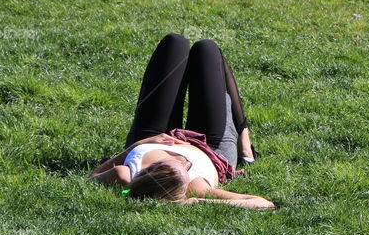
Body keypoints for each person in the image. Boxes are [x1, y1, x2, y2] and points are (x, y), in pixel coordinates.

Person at [89, 33, 275, 209]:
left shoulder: (124, 174)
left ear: (153, 170)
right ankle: (245, 144)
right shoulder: (196, 186)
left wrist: (141, 144)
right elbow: (263, 203)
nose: (185, 161)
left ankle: (153, 146)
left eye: (174, 163)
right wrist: (199, 201)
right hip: (210, 148)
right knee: (207, 49)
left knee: (174, 43)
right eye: (187, 169)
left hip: (152, 137)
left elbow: (91, 178)